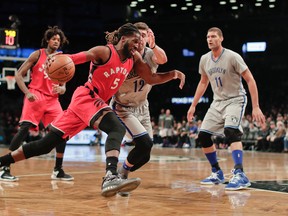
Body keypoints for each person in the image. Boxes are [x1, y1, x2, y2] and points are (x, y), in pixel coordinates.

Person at [0, 23, 185, 197]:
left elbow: (151, 78)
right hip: (87, 97)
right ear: (123, 39)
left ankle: (3, 161)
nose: (138, 45)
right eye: (135, 41)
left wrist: (173, 74)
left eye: (140, 41)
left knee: (45, 145)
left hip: (89, 105)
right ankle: (111, 177)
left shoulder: (134, 58)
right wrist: (57, 59)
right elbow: (78, 57)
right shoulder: (104, 51)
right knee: (116, 128)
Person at [109, 22, 185, 195]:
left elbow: (163, 59)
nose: (141, 39)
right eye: (138, 36)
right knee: (145, 144)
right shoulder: (125, 54)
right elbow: (151, 78)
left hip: (143, 106)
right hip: (123, 107)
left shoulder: (150, 53)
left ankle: (123, 172)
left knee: (146, 153)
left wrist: (154, 45)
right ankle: (119, 175)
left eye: (144, 36)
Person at [187, 27, 266, 190]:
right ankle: (217, 172)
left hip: (235, 99)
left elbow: (250, 80)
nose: (210, 39)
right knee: (203, 136)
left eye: (214, 36)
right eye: (208, 36)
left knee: (231, 131)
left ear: (221, 38)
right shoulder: (204, 59)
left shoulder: (232, 56)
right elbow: (203, 82)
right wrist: (193, 104)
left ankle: (240, 174)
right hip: (217, 102)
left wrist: (256, 106)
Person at [0, 26, 73, 182]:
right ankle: (4, 167)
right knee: (24, 130)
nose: (56, 42)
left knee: (63, 132)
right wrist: (27, 93)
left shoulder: (62, 60)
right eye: (54, 39)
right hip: (36, 95)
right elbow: (19, 75)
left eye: (59, 40)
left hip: (53, 100)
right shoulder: (37, 54)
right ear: (48, 40)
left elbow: (64, 88)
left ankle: (58, 169)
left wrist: (60, 89)